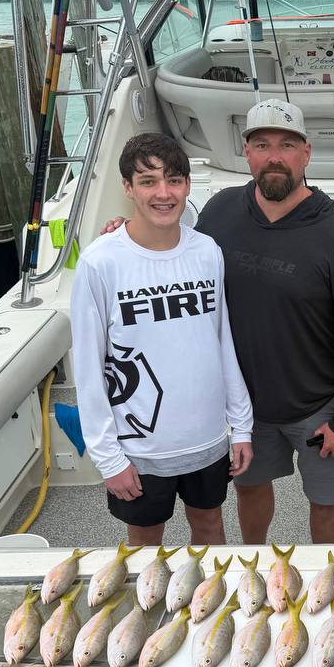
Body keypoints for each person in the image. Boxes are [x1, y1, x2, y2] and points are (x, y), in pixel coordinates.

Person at [195, 99, 334, 544]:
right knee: (249, 488)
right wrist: (125, 232)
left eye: (287, 145)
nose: (274, 156)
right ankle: (254, 562)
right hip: (246, 408)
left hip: (320, 406)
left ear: (306, 153)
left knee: (327, 502)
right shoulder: (219, 212)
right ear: (247, 153)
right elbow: (175, 257)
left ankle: (325, 570)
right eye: (262, 145)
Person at [72, 132, 253, 547]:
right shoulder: (100, 262)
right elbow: (88, 369)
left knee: (210, 528)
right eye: (148, 181)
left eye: (173, 180)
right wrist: (108, 458)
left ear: (187, 186)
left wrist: (241, 427)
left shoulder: (207, 251)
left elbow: (222, 343)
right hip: (140, 449)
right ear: (128, 187)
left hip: (208, 439)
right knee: (144, 541)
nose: (163, 193)